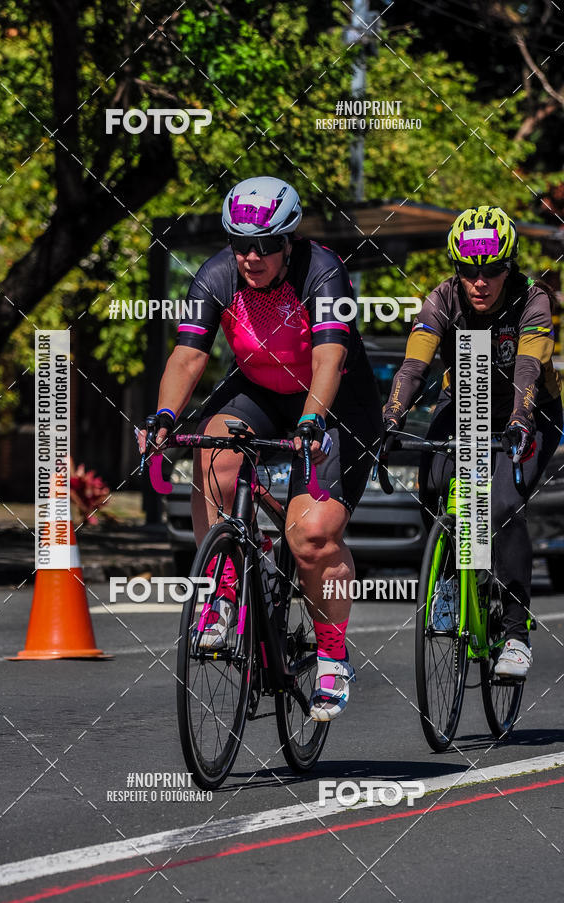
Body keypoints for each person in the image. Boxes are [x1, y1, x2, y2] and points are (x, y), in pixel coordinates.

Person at [138, 175, 382, 720]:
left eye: (265, 245)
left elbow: (328, 360)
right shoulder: (218, 274)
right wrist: (163, 418)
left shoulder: (324, 274)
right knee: (211, 450)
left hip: (333, 399)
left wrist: (313, 422)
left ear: (288, 240)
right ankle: (224, 594)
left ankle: (333, 656)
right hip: (258, 388)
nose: (251, 256)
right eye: (240, 243)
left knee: (314, 537)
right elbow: (187, 357)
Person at [383, 205, 563, 678]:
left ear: (511, 266)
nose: (480, 282)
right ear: (455, 268)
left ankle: (517, 630)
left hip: (532, 411)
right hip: (467, 400)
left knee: (500, 504)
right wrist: (392, 415)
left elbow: (528, 367)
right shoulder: (442, 301)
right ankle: (448, 580)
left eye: (493, 271)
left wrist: (522, 419)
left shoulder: (533, 299)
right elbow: (414, 366)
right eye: (469, 271)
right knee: (434, 478)